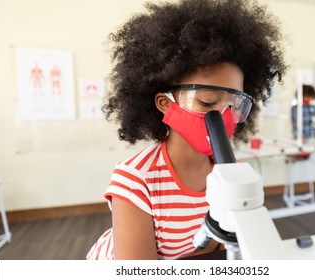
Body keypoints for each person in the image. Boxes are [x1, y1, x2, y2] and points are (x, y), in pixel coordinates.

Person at [86, 0, 286, 260]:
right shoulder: (136, 180)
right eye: (208, 103)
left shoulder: (230, 171)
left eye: (234, 105)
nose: (223, 116)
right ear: (165, 103)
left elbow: (221, 248)